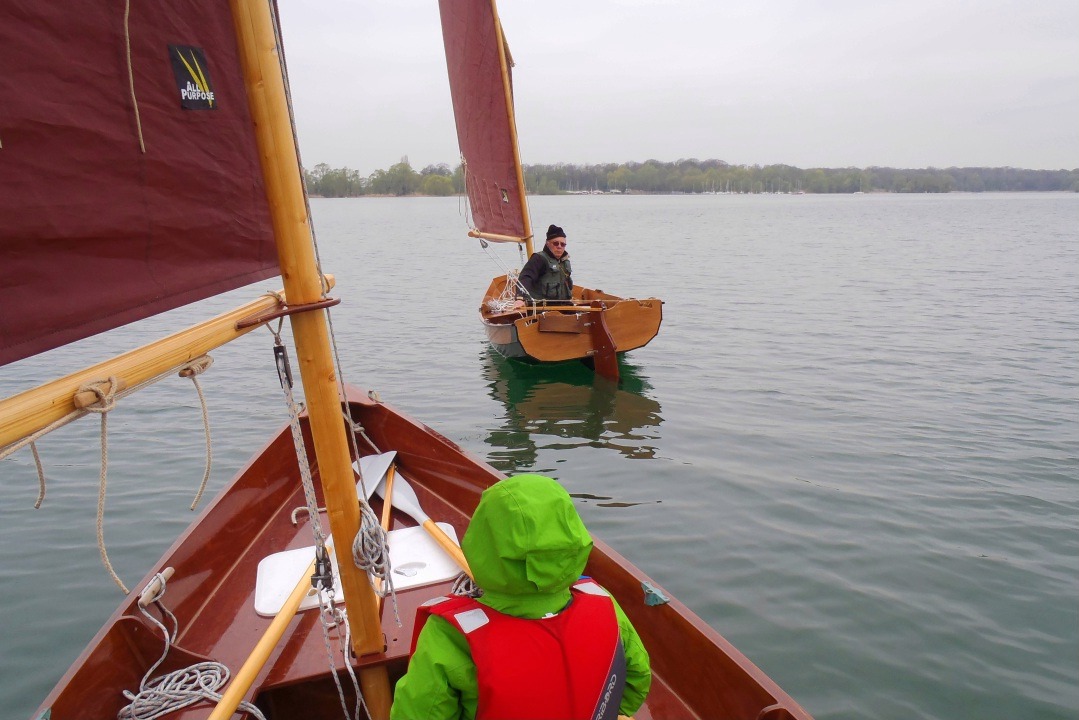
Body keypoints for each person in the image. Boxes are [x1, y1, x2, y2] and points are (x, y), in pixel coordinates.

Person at [390, 474, 651, 720]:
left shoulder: (449, 636)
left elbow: (420, 712)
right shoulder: (602, 602)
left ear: (482, 542)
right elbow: (637, 679)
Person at [516, 224, 573, 305]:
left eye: (563, 244)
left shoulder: (565, 262)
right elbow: (526, 277)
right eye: (556, 243)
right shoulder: (539, 259)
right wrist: (520, 298)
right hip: (542, 309)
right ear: (547, 243)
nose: (559, 247)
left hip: (564, 306)